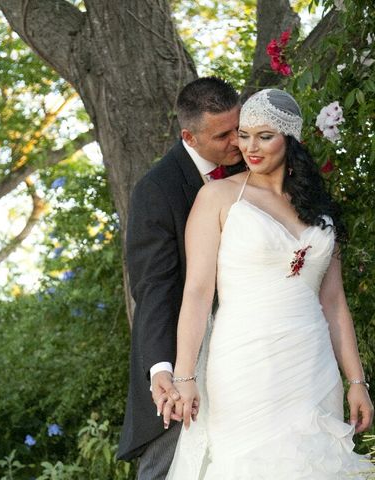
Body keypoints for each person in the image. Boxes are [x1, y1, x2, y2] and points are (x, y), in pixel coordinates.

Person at [166, 88, 374, 479]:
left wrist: (356, 381)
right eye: (243, 135)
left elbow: (334, 303)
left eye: (264, 136)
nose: (250, 147)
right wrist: (184, 376)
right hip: (245, 362)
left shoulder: (319, 207)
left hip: (312, 364)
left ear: (290, 138)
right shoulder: (217, 197)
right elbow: (196, 293)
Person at [117, 77, 244, 480]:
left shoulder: (255, 163)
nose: (236, 143)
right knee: (168, 463)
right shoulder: (157, 190)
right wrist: (162, 370)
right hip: (185, 352)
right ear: (189, 135)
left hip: (247, 348)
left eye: (237, 129)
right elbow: (154, 287)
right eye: (222, 135)